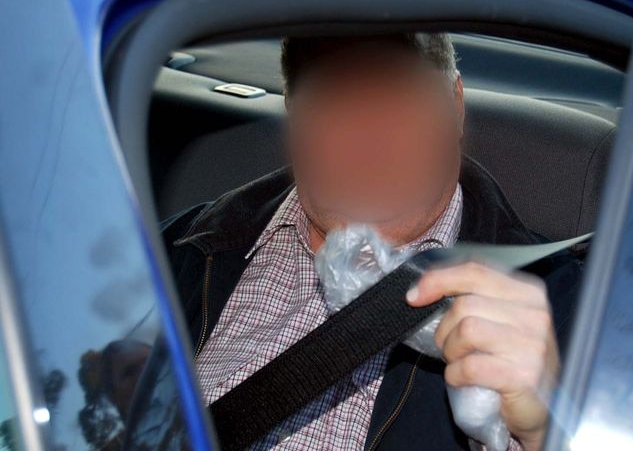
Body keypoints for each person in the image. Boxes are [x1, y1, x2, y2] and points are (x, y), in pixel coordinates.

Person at [161, 32, 582, 450]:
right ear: (295, 115)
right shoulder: (179, 250)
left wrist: (546, 432)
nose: (369, 136)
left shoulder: (563, 305)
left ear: (455, 105)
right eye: (336, 100)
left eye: (396, 96)